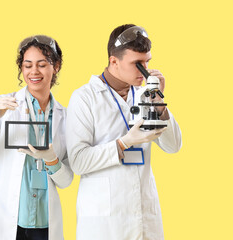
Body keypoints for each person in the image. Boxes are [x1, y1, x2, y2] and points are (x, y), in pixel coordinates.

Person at [66, 24, 182, 240]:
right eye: (137, 63)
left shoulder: (145, 94)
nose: (145, 70)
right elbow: (78, 162)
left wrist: (160, 104)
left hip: (145, 220)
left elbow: (173, 146)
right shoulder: (84, 98)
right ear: (114, 61)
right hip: (105, 224)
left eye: (147, 62)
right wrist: (123, 143)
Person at [0, 35, 73, 240]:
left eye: (42, 64)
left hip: (45, 225)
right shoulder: (4, 106)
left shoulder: (67, 117)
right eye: (27, 65)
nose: (34, 72)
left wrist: (51, 159)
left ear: (57, 66)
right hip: (4, 218)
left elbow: (66, 181)